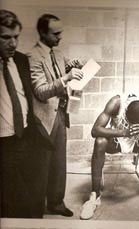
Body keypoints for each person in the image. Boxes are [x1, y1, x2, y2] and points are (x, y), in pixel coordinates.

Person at [28, 14, 84, 217]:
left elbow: (60, 72)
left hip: (61, 112)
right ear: (43, 33)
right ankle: (36, 207)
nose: (60, 36)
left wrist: (72, 67)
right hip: (43, 117)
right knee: (43, 164)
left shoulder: (58, 53)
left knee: (60, 162)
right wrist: (66, 77)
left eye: (61, 32)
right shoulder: (32, 56)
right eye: (56, 33)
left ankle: (56, 203)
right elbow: (41, 91)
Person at [0, 9, 52, 218]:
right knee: (13, 203)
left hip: (26, 138)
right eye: (5, 37)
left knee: (34, 202)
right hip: (3, 145)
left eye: (16, 37)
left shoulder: (20, 60)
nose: (13, 43)